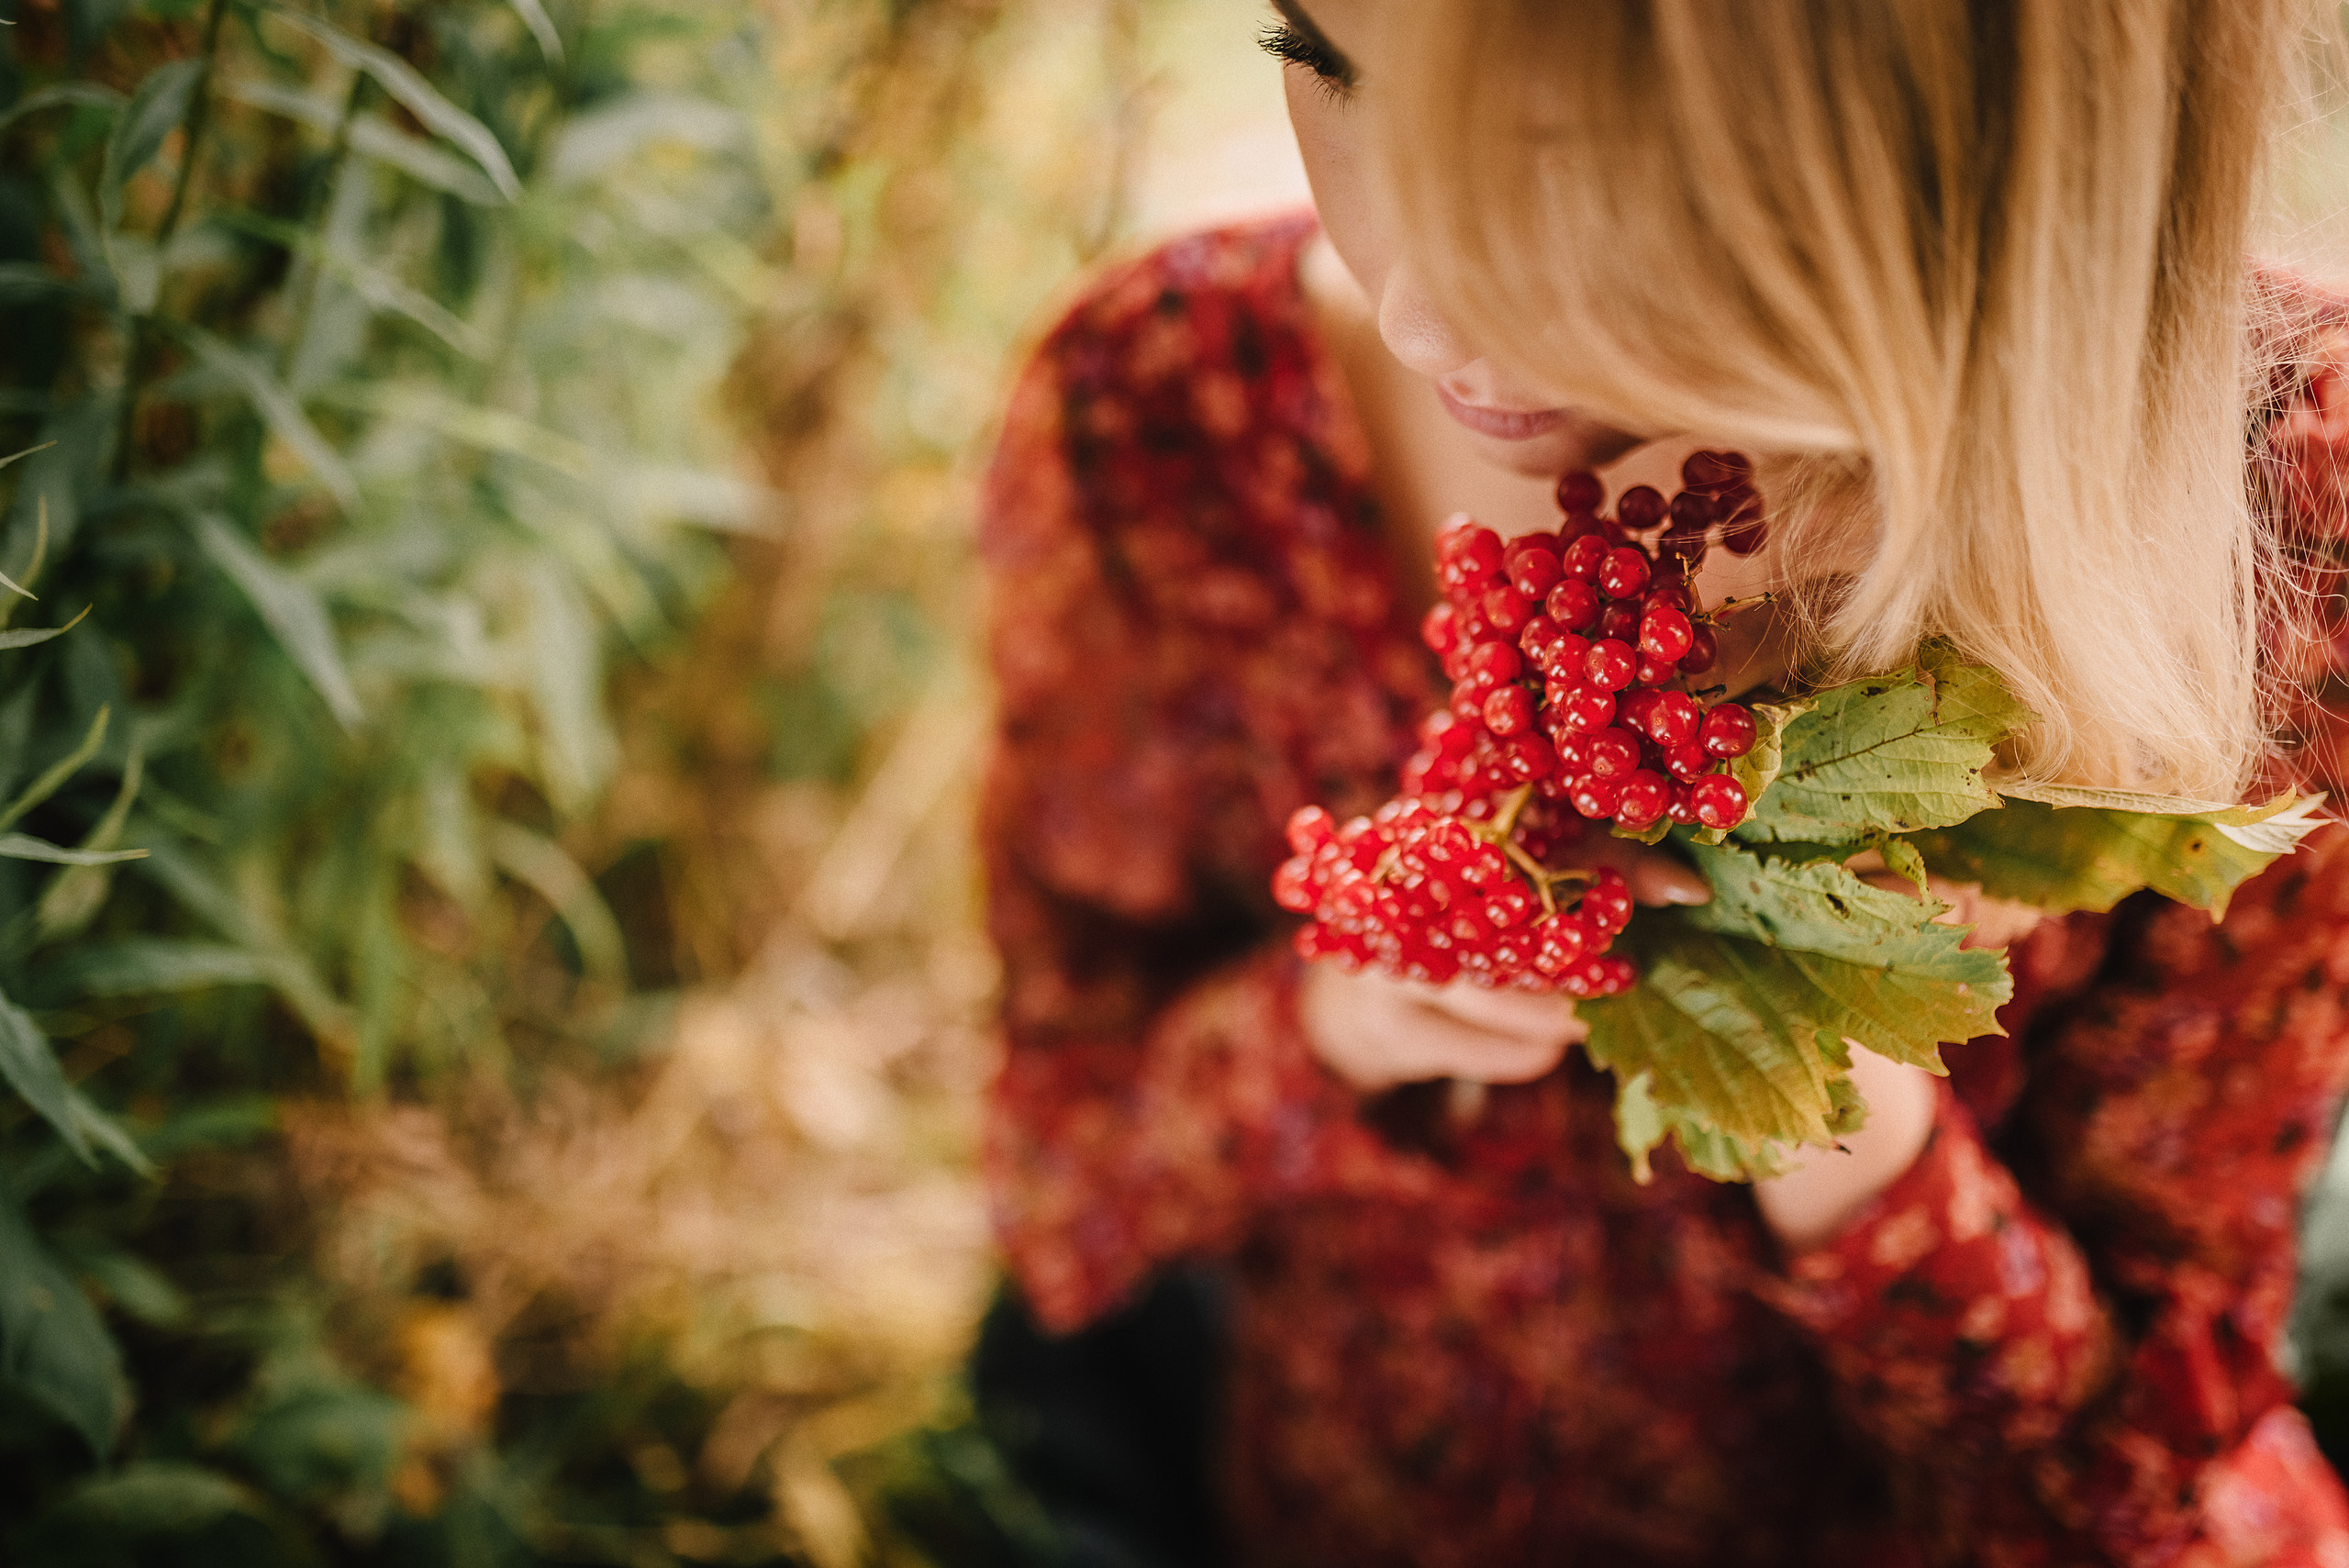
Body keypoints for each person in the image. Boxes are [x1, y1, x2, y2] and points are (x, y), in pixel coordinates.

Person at [973, 1, 2349, 1562]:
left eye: (1581, 155)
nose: (1426, 304)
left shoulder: (2278, 503)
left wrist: (1861, 1151)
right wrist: (1323, 1030)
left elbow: (2165, 1501)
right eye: (1322, 60)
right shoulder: (1159, 414)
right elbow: (1054, 1191)